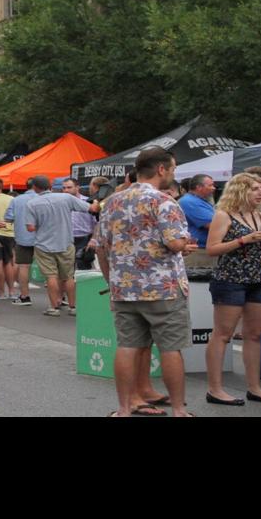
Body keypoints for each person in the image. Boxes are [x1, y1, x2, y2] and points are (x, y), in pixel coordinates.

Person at [96, 148, 197, 418]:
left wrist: (112, 281)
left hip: (124, 288)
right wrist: (184, 244)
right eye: (173, 169)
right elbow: (174, 242)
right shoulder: (164, 201)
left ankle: (124, 409)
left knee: (127, 346)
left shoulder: (113, 202)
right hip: (163, 287)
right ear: (162, 169)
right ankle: (178, 410)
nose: (173, 174)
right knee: (170, 348)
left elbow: (101, 248)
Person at [203, 173, 261, 406]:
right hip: (230, 279)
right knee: (223, 334)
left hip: (259, 278)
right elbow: (212, 249)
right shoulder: (223, 215)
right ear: (239, 191)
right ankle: (215, 389)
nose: (260, 193)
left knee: (255, 334)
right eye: (254, 189)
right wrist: (243, 240)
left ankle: (254, 387)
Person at [21, 175, 90, 317]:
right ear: (50, 186)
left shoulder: (32, 204)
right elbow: (89, 208)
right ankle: (73, 306)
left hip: (44, 244)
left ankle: (53, 308)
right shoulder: (65, 198)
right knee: (69, 276)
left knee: (51, 276)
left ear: (34, 188)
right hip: (65, 242)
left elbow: (30, 228)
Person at [8, 182, 40, 306]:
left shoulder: (17, 200)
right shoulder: (46, 199)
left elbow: (9, 217)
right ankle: (58, 299)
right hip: (44, 238)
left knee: (23, 266)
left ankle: (25, 296)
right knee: (51, 270)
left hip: (23, 237)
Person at [179, 174, 218, 248]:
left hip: (203, 247)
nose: (213, 188)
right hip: (199, 250)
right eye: (210, 185)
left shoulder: (198, 200)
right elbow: (213, 225)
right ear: (199, 187)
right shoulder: (189, 201)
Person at [67, 179, 98, 271]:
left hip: (84, 238)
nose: (66, 190)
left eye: (69, 187)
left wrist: (93, 239)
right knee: (67, 269)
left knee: (83, 268)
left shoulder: (88, 201)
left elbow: (97, 222)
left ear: (77, 187)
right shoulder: (61, 203)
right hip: (67, 239)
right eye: (64, 188)